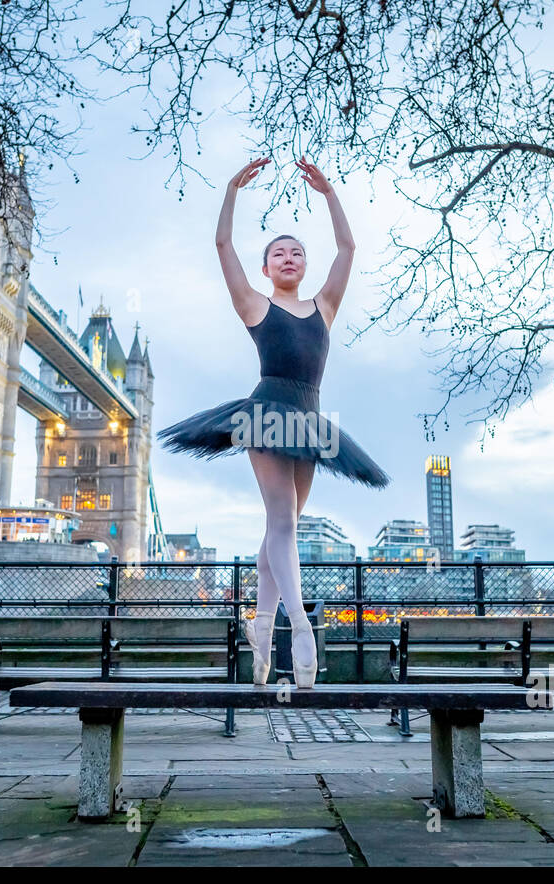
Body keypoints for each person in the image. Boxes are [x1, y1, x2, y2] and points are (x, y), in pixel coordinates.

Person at [156, 155, 391, 689]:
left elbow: (349, 249)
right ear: (267, 269)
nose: (289, 257)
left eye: (297, 252)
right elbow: (222, 247)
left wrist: (330, 195)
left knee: (279, 530)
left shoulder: (325, 307)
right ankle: (299, 628)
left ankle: (260, 629)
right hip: (266, 414)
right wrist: (232, 192)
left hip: (307, 419)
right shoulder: (256, 307)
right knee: (282, 522)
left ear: (304, 265)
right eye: (279, 253)